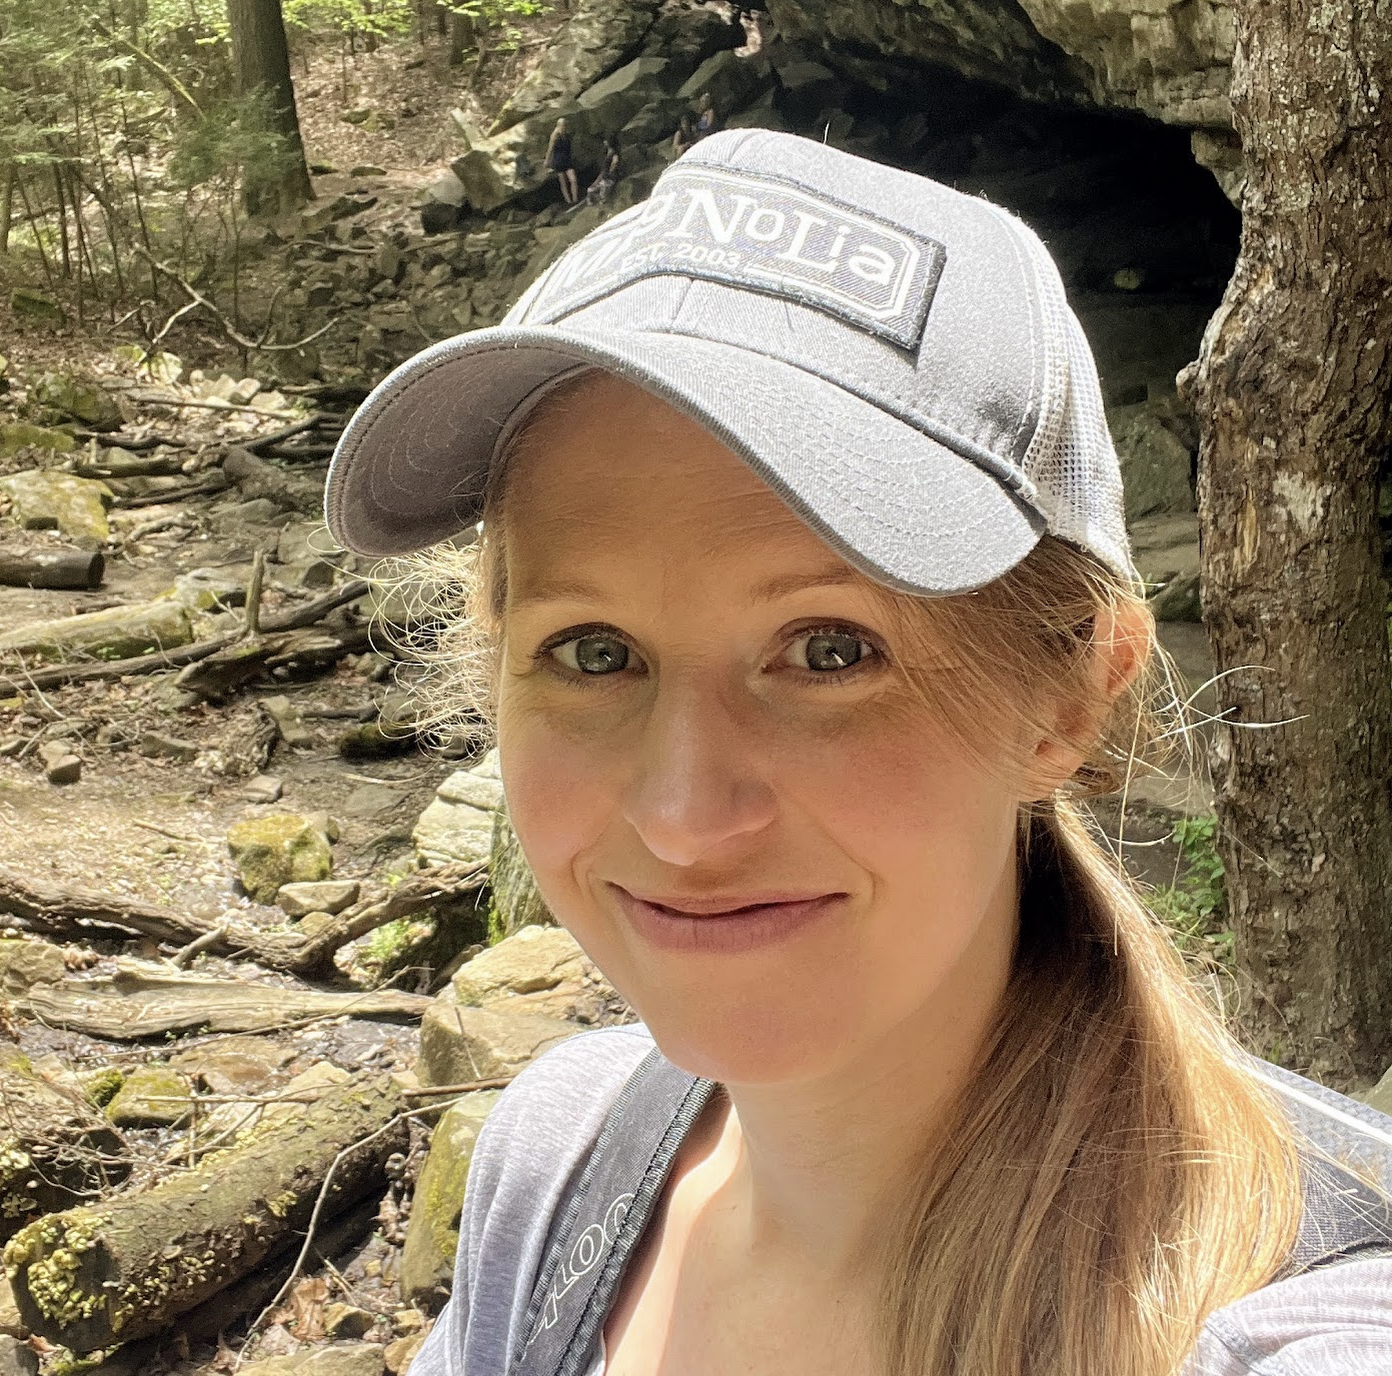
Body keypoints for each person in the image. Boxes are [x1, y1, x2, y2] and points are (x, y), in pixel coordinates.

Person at [325, 131, 1392, 1376]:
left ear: (1068, 696)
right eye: (595, 651)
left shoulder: (1291, 1329)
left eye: (831, 648)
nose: (683, 816)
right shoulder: (557, 1161)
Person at [544, 117, 578, 206]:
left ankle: (575, 199)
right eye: (563, 125)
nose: (564, 127)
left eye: (565, 125)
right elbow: (550, 149)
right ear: (559, 125)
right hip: (558, 160)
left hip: (567, 159)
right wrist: (547, 160)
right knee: (563, 182)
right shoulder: (555, 135)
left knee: (573, 179)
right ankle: (568, 201)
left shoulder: (566, 134)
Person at [585, 136, 622, 206]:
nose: (604, 142)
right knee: (590, 189)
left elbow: (615, 163)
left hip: (611, 177)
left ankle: (604, 201)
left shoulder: (614, 153)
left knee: (603, 186)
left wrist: (610, 173)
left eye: (606, 141)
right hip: (604, 177)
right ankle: (593, 202)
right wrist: (596, 181)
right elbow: (603, 171)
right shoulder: (607, 153)